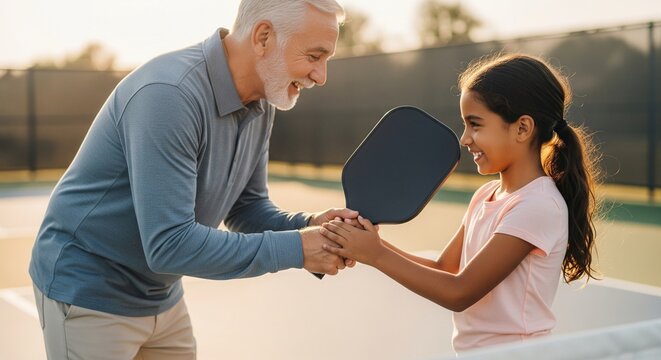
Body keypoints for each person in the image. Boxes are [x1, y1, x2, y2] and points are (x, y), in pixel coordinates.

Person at [29, 1, 356, 359]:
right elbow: (169, 244)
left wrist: (308, 226)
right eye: (314, 56)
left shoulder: (263, 100)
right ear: (264, 37)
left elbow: (246, 208)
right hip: (89, 291)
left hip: (162, 296)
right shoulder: (169, 95)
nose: (320, 76)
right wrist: (297, 248)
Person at [320, 53, 601, 353]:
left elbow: (460, 291)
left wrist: (375, 254)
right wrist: (371, 246)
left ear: (522, 128)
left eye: (475, 124)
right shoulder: (485, 196)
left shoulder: (538, 205)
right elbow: (444, 269)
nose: (465, 139)